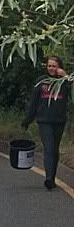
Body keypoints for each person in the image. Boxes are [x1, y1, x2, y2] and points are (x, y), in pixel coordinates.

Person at [22, 55, 72, 190]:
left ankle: (52, 177)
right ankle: (49, 178)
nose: (51, 68)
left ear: (59, 67)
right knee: (49, 148)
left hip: (59, 120)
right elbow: (34, 102)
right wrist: (27, 120)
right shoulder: (41, 82)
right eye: (49, 66)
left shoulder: (64, 82)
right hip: (44, 121)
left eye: (54, 66)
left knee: (55, 149)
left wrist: (65, 76)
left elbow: (70, 90)